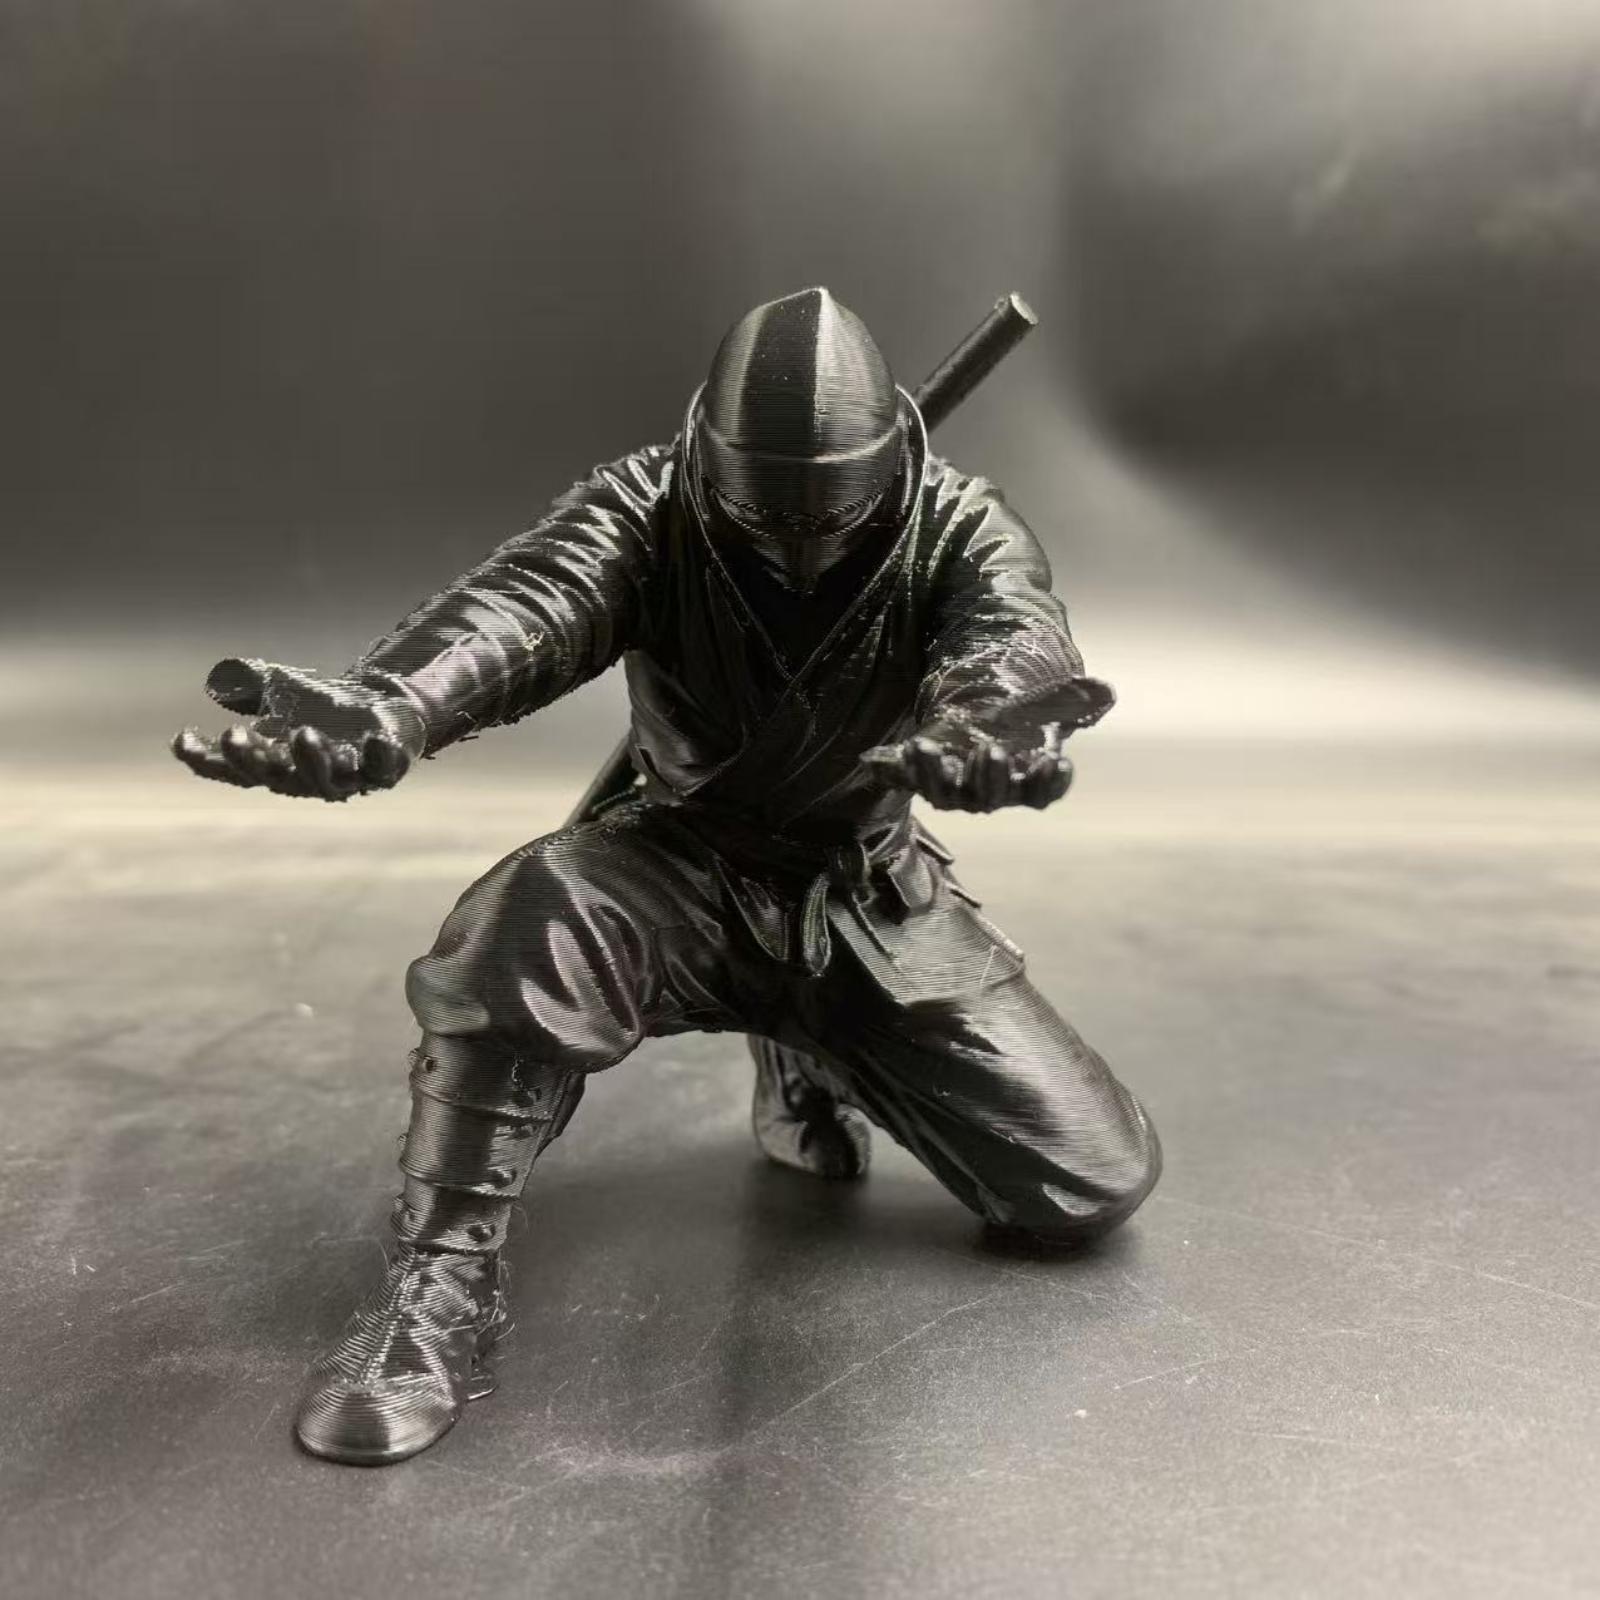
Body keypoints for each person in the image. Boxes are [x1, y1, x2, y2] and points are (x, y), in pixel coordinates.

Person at [174, 287, 1161, 1465]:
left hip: (860, 903)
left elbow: (1010, 634)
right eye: (762, 514)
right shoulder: (646, 504)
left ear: (892, 464)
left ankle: (811, 1050)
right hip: (677, 874)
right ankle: (436, 1295)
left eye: (831, 516)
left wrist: (989, 722)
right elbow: (527, 607)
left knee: (1084, 1183)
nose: (796, 547)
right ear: (709, 462)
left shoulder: (960, 526)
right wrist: (396, 703)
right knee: (525, 919)